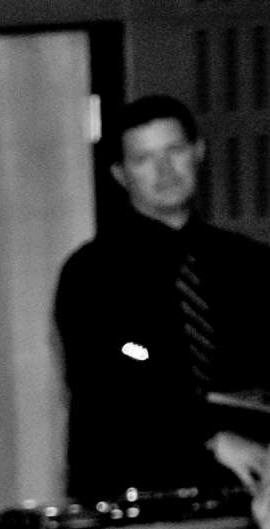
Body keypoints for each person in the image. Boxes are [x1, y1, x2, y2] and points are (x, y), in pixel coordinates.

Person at [54, 94, 270, 502]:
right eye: (144, 159)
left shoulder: (250, 264)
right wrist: (210, 436)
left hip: (249, 491)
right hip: (134, 490)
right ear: (120, 174)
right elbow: (110, 378)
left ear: (199, 151)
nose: (164, 170)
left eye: (174, 151)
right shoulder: (92, 273)